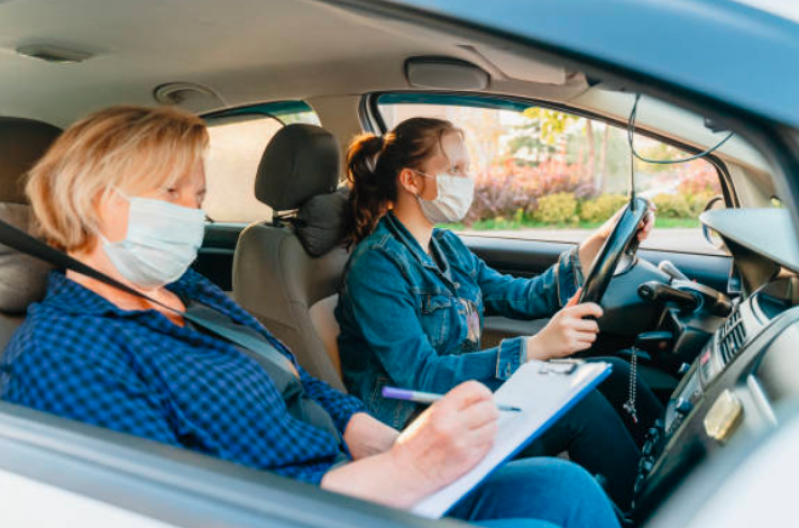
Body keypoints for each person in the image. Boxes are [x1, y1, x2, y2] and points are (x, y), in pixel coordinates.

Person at [0, 105, 620, 528]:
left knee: (564, 488)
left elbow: (300, 380)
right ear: (100, 201)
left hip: (350, 468)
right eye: (175, 193)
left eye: (200, 196)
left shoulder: (185, 289)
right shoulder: (63, 354)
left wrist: (373, 437)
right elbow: (188, 510)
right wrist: (409, 468)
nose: (192, 213)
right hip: (309, 508)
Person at [336, 117, 664, 510]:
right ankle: (650, 512)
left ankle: (665, 479)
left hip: (463, 400)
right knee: (582, 407)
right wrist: (533, 350)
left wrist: (601, 238)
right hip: (419, 424)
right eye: (454, 169)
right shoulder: (378, 265)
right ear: (411, 180)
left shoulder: (446, 246)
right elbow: (420, 374)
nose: (466, 178)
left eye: (466, 168)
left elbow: (522, 296)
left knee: (613, 371)